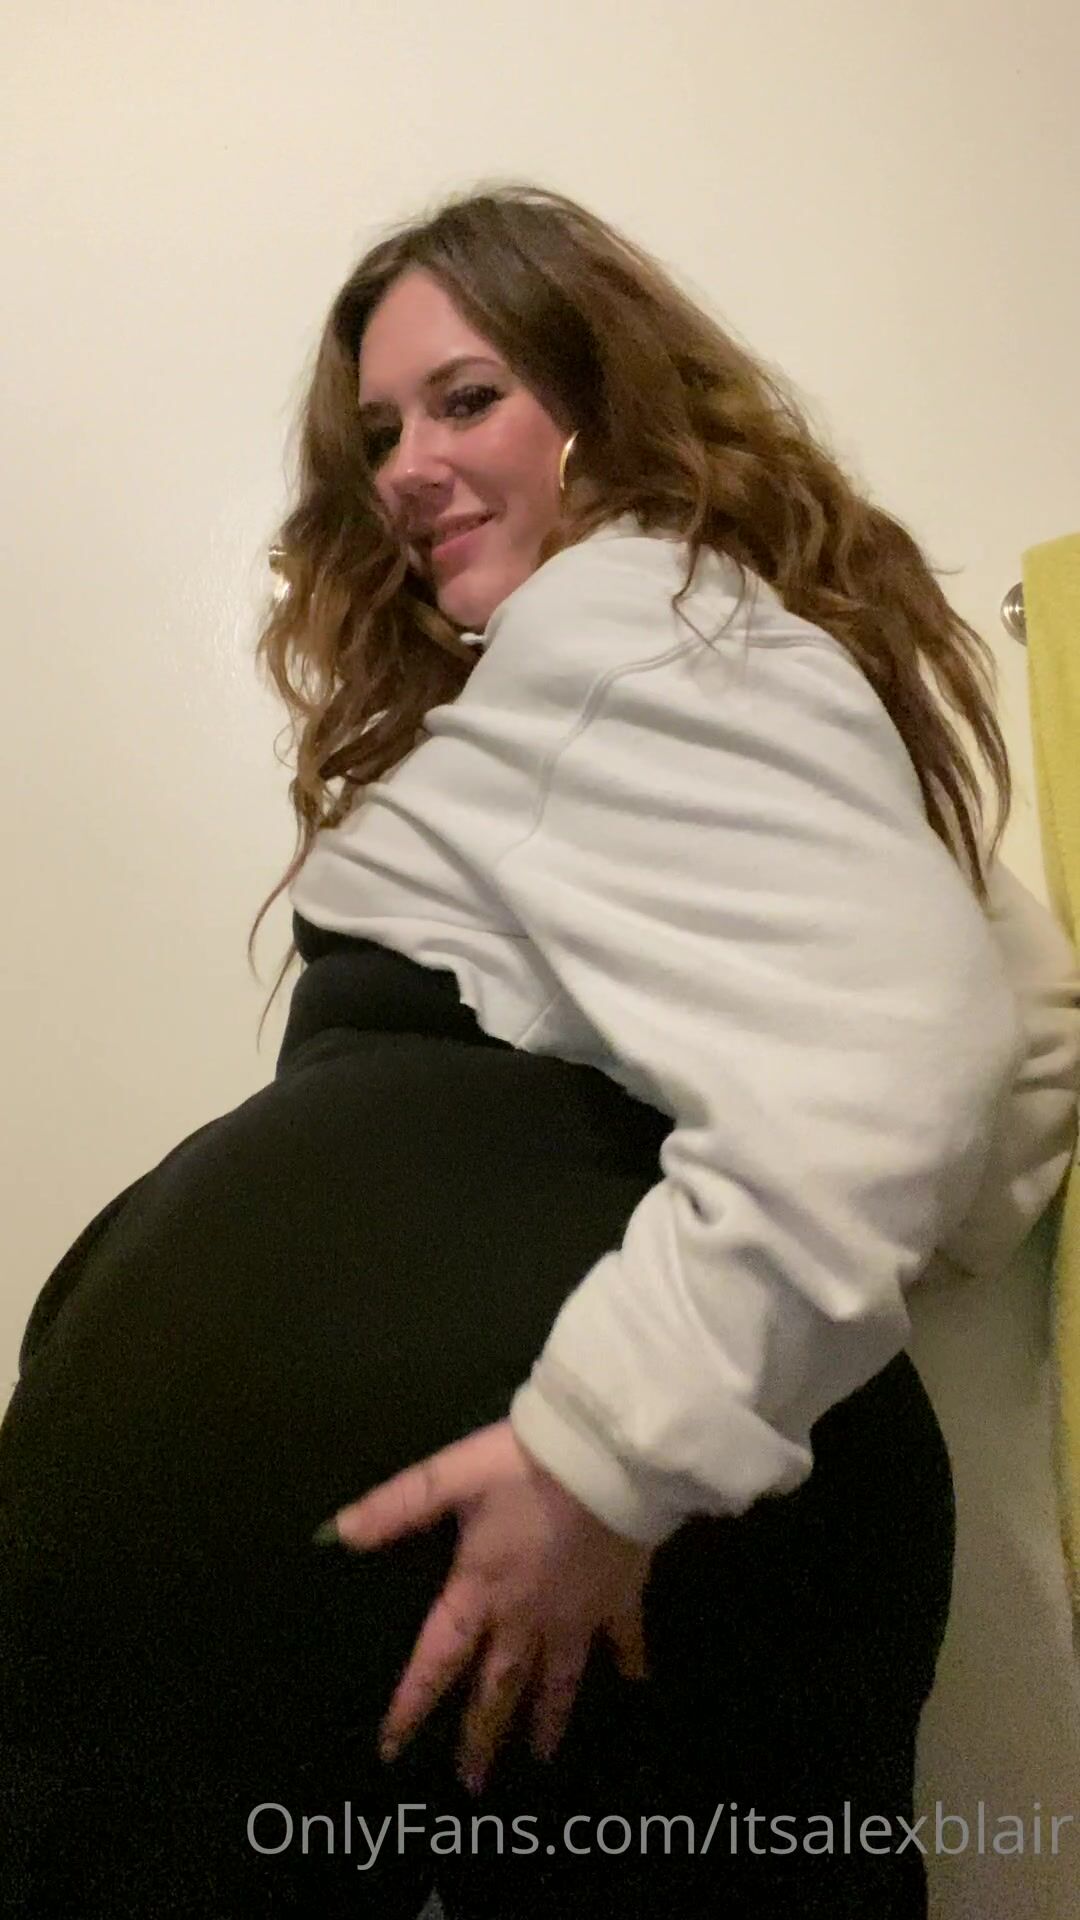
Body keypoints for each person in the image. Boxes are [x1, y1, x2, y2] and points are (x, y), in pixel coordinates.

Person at [1, 181, 1075, 1920]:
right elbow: (981, 1040)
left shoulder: (630, 602)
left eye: (467, 398)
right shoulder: (645, 660)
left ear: (607, 402)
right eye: (379, 432)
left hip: (593, 1542)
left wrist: (613, 1446)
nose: (408, 466)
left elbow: (919, 1041)